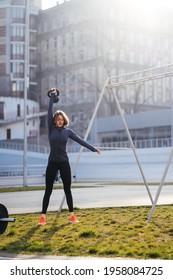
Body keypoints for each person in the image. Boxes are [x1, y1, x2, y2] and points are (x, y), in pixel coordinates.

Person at [38, 88, 101, 225]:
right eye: (57, 119)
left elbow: (81, 141)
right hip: (52, 162)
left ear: (64, 120)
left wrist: (93, 149)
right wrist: (52, 97)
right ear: (54, 121)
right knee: (48, 190)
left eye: (61, 119)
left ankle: (72, 216)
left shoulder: (68, 132)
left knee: (67, 189)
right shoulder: (51, 129)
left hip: (64, 163)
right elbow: (49, 111)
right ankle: (43, 217)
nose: (59, 121)